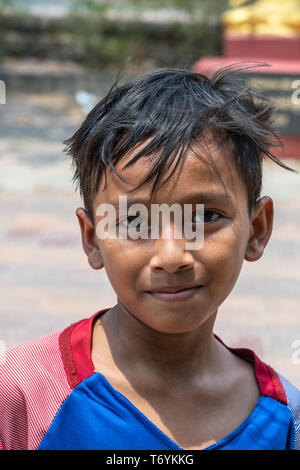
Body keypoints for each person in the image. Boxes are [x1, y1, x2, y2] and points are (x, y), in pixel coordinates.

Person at [0, 66, 299, 451]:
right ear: (92, 238)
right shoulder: (25, 394)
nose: (172, 256)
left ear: (257, 230)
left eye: (205, 217)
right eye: (135, 221)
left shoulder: (284, 418)